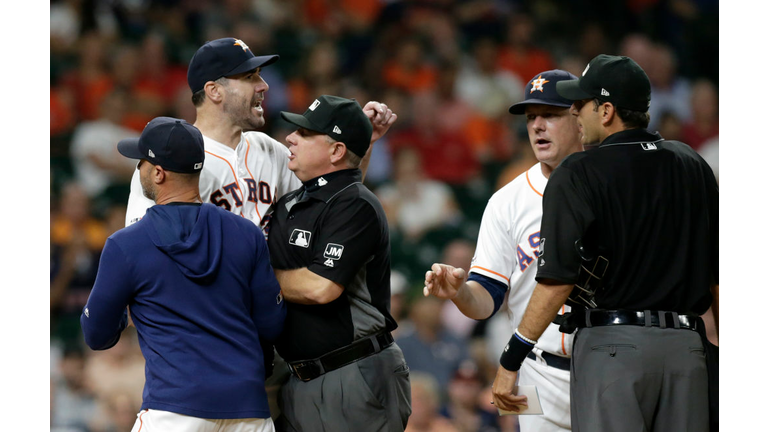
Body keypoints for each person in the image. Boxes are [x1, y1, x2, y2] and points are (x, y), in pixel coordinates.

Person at [489, 55, 719, 432]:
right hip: (686, 350)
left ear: (607, 110)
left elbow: (557, 280)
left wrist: (511, 359)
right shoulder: (691, 163)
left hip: (613, 348)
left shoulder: (578, 172)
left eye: (582, 103)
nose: (575, 111)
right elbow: (719, 275)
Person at [80, 116, 286, 432]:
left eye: (142, 162)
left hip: (174, 409)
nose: (138, 168)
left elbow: (96, 334)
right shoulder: (246, 233)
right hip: (249, 410)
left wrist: (129, 310)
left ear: (158, 173)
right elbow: (272, 323)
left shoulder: (127, 245)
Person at [423, 69, 583, 432]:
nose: (537, 126)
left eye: (550, 114)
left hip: (604, 362)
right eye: (531, 117)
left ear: (579, 118)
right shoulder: (506, 201)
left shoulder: (610, 186)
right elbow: (487, 300)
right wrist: (460, 293)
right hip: (536, 368)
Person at [124, 37, 396, 230]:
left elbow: (336, 199)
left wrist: (361, 142)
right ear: (214, 91)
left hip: (271, 294)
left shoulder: (269, 149)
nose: (264, 85)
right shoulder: (169, 157)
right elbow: (142, 250)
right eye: (249, 77)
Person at [266, 95, 411, 432]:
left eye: (305, 133)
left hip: (353, 372)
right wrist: (362, 140)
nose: (290, 137)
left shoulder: (357, 205)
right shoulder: (295, 200)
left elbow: (321, 287)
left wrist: (258, 279)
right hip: (299, 379)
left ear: (335, 151)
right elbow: (341, 182)